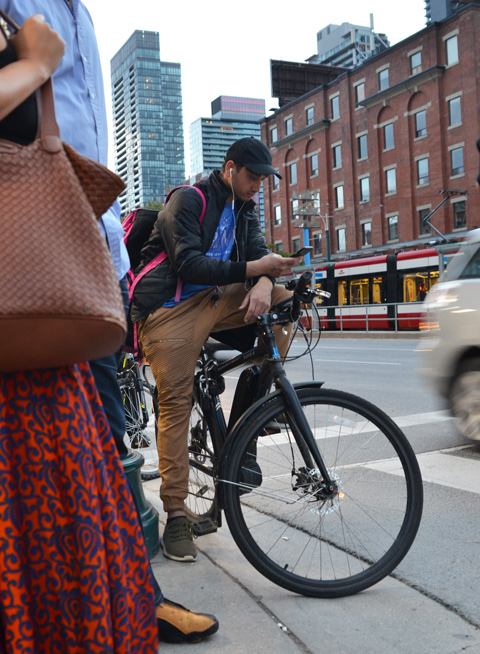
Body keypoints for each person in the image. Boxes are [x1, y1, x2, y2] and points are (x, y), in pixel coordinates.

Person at [0, 2, 218, 646]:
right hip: (30, 281)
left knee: (98, 464)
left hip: (76, 263)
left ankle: (134, 595)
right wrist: (32, 66)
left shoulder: (77, 12)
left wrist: (106, 253)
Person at [131, 136, 302, 562]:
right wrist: (253, 270)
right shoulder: (188, 201)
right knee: (174, 403)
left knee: (287, 302)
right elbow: (188, 264)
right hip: (170, 307)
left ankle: (249, 415)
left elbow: (260, 254)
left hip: (216, 300)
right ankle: (176, 517)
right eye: (252, 177)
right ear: (230, 169)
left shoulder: (246, 207)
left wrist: (264, 281)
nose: (257, 186)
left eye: (264, 180)